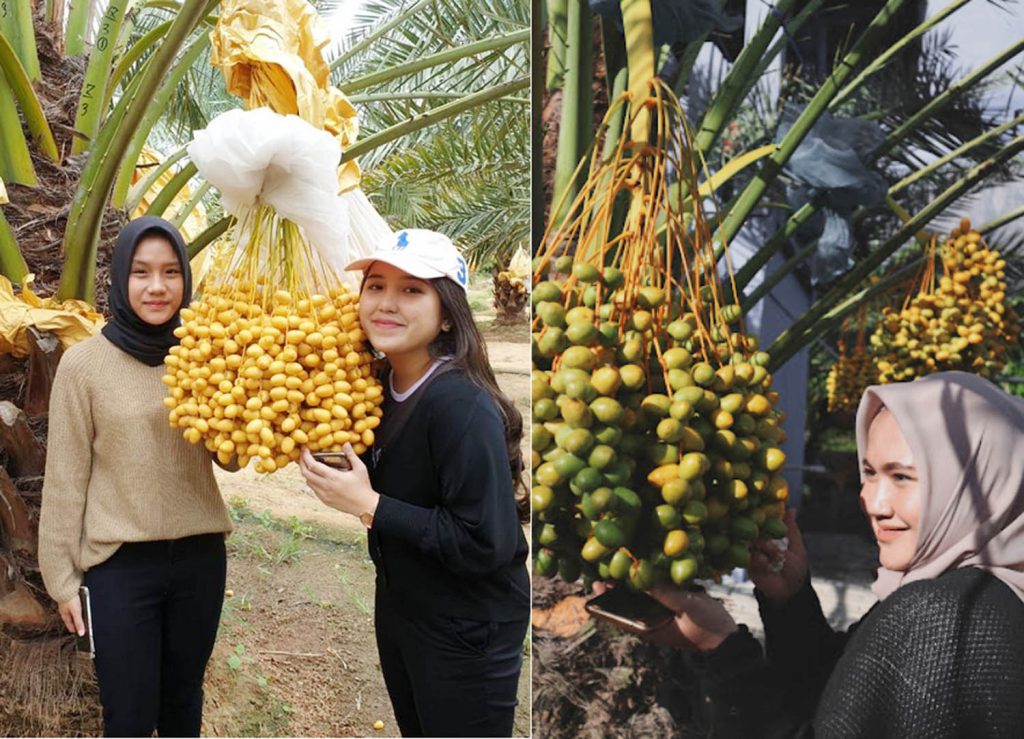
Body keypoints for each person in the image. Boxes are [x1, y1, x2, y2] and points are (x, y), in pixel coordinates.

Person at [607, 371, 1024, 737]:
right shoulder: (988, 594)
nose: (874, 503)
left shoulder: (946, 614)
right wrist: (790, 601)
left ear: (983, 481)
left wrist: (723, 648)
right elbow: (843, 704)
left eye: (903, 477)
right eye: (869, 472)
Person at [298, 229, 530, 738]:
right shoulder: (376, 385)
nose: (386, 304)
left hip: (468, 626)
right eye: (376, 286)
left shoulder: (459, 404)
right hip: (405, 605)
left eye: (411, 290)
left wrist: (369, 505)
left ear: (447, 313)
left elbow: (485, 543)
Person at [38, 216, 234, 737]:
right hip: (120, 568)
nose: (157, 287)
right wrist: (60, 580)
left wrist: (238, 393)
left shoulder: (202, 354)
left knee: (182, 707)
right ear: (121, 277)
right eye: (142, 272)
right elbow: (64, 479)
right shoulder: (84, 366)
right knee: (127, 716)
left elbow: (232, 458)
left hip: (199, 558)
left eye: (171, 272)